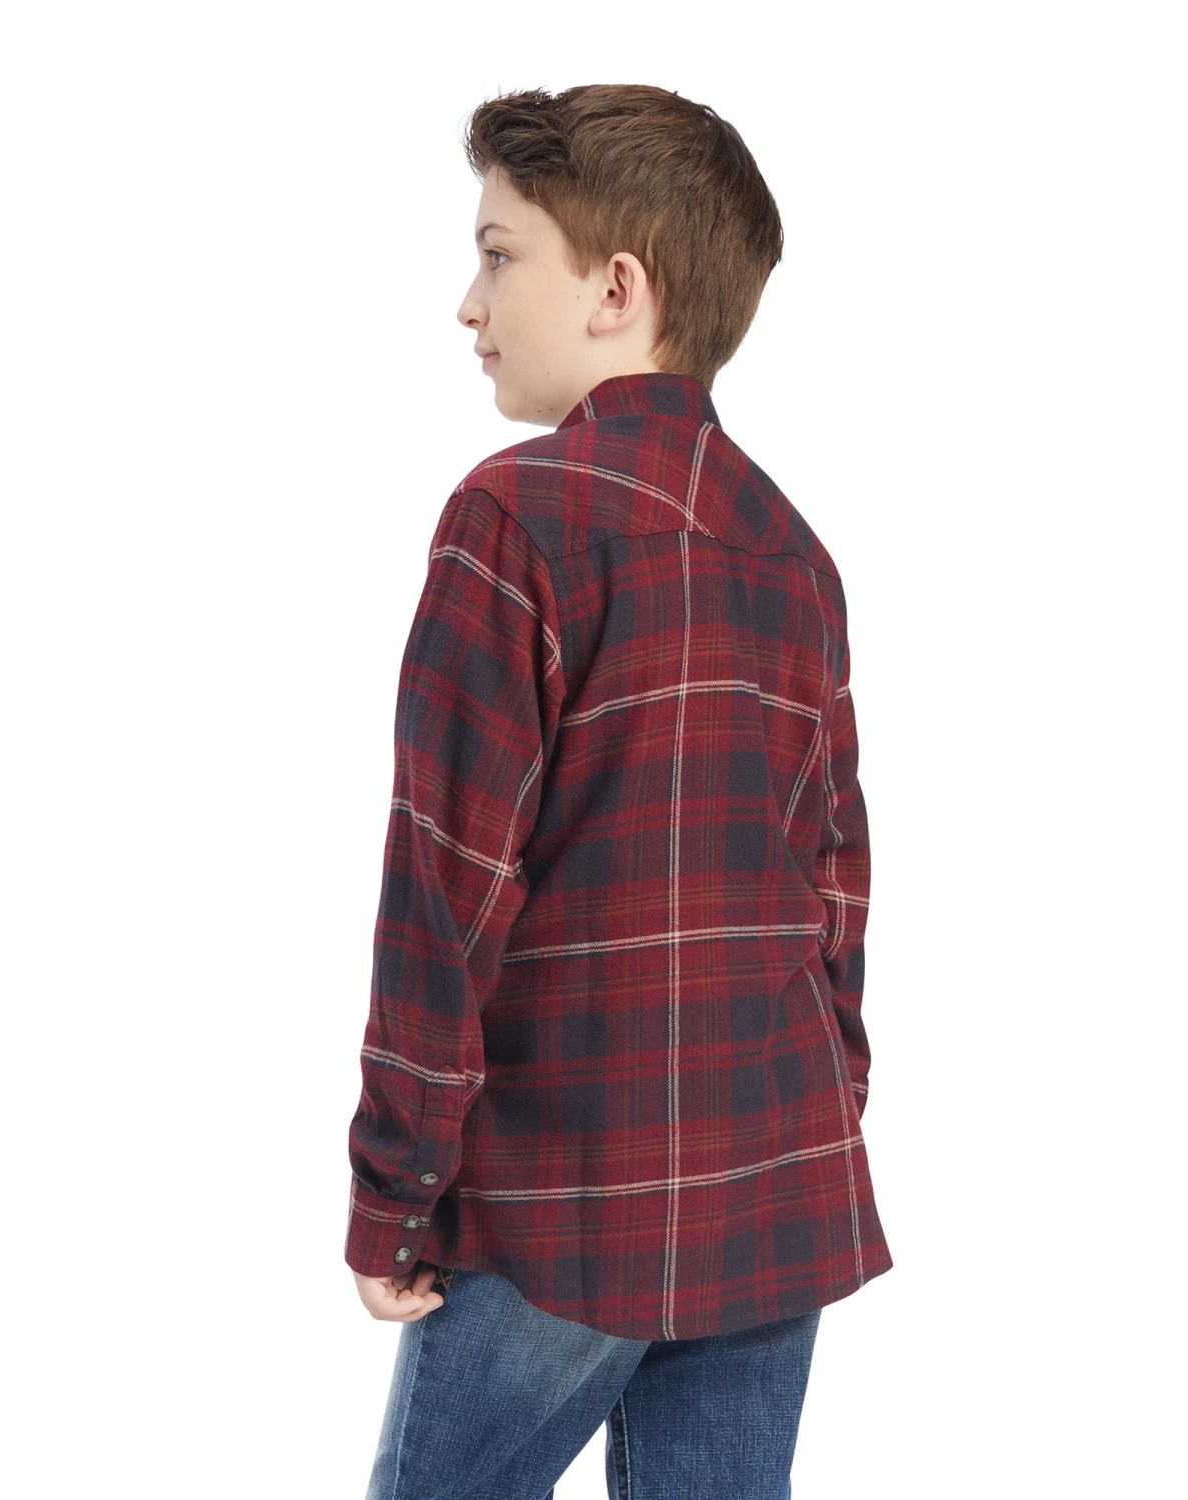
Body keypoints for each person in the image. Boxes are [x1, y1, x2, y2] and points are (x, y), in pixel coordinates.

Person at [344, 83, 893, 1500]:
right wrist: (828, 1104)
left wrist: (395, 1187)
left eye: (500, 254)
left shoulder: (515, 516)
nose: (470, 303)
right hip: (776, 1181)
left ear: (616, 289)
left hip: (569, 1195)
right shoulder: (795, 553)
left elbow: (448, 885)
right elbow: (836, 882)